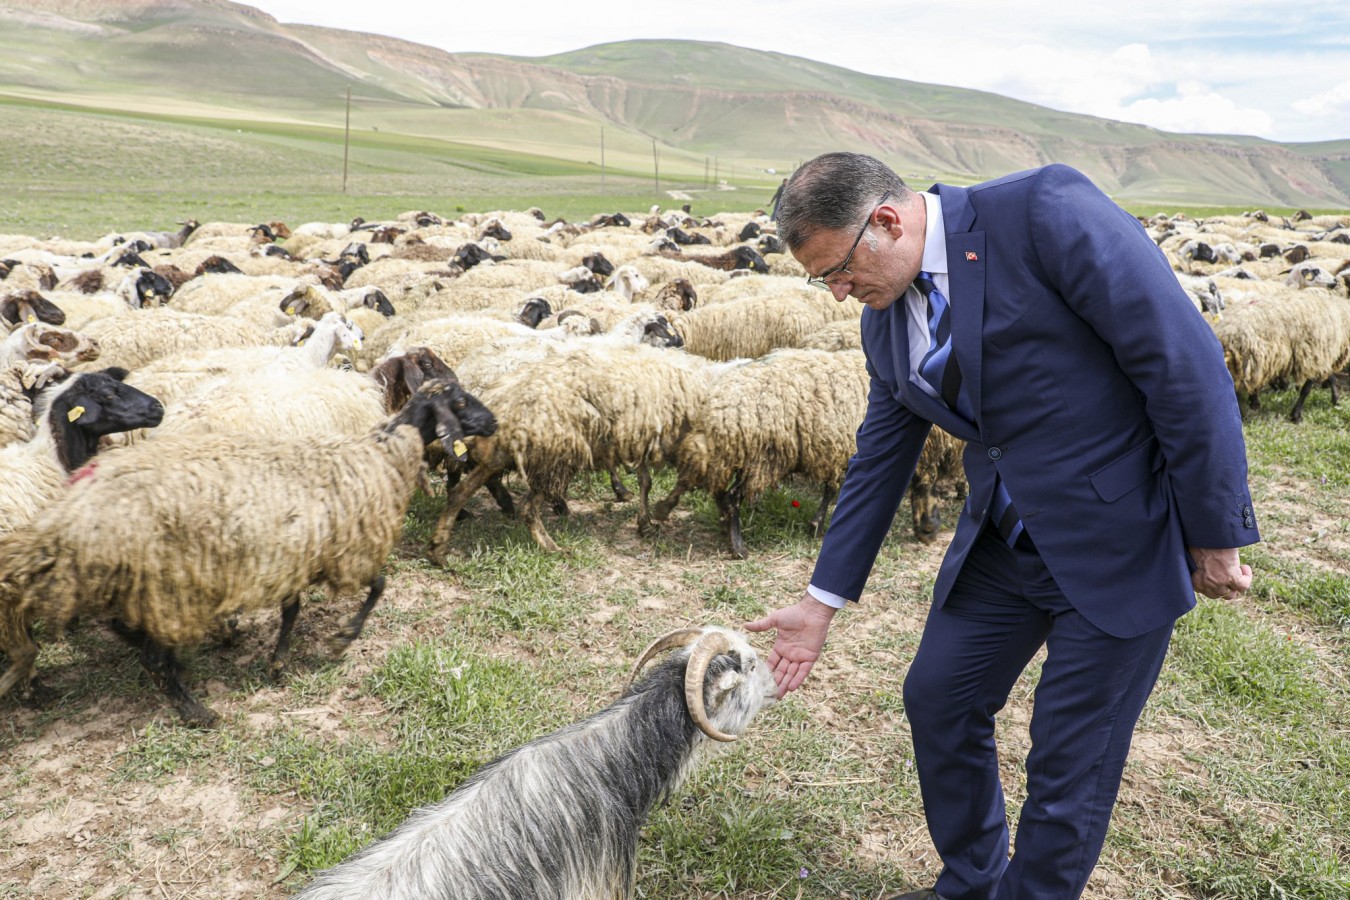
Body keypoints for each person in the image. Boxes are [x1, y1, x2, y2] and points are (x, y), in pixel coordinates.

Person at [745, 152, 1258, 900]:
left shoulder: (1046, 213)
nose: (838, 293)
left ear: (886, 221)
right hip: (1003, 546)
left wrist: (1215, 533)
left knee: (1067, 760)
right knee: (938, 699)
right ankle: (972, 880)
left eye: (840, 270)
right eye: (822, 280)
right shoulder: (885, 327)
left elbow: (1183, 363)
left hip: (1118, 538)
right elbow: (878, 461)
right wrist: (820, 604)